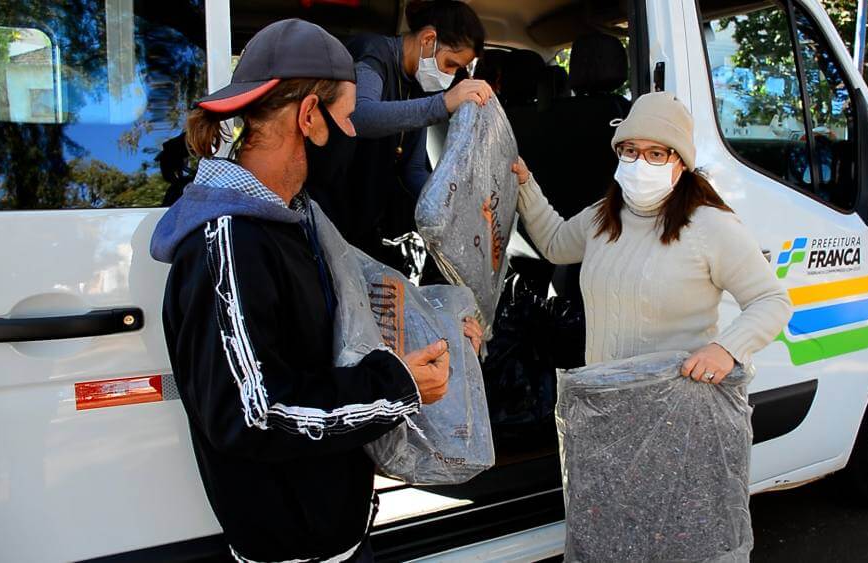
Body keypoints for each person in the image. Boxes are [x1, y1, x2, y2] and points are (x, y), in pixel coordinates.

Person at [149, 20, 482, 563]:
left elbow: (344, 328)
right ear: (308, 115)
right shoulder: (232, 240)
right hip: (293, 550)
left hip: (336, 534)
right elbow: (256, 413)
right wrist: (396, 387)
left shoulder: (298, 218)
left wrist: (441, 331)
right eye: (347, 119)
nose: (353, 137)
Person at [510, 91, 790, 556]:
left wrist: (727, 348)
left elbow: (771, 300)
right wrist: (524, 184)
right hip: (606, 417)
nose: (641, 162)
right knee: (610, 539)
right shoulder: (605, 217)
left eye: (656, 153)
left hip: (675, 423)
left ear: (679, 162)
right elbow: (557, 243)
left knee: (673, 541)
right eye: (630, 150)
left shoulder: (710, 226)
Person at [308, 0, 491, 275]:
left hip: (362, 229)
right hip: (325, 217)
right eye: (450, 64)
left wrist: (453, 207)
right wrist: (441, 104)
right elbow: (361, 116)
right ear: (428, 39)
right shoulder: (374, 55)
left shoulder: (420, 86)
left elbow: (412, 168)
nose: (451, 76)